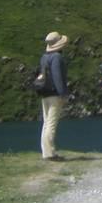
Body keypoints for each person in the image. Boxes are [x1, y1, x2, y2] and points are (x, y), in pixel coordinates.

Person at [38, 31, 70, 160]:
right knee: (51, 123)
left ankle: (46, 151)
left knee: (46, 123)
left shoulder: (44, 57)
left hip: (45, 92)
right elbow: (57, 76)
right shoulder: (56, 57)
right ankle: (50, 153)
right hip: (54, 94)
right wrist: (62, 93)